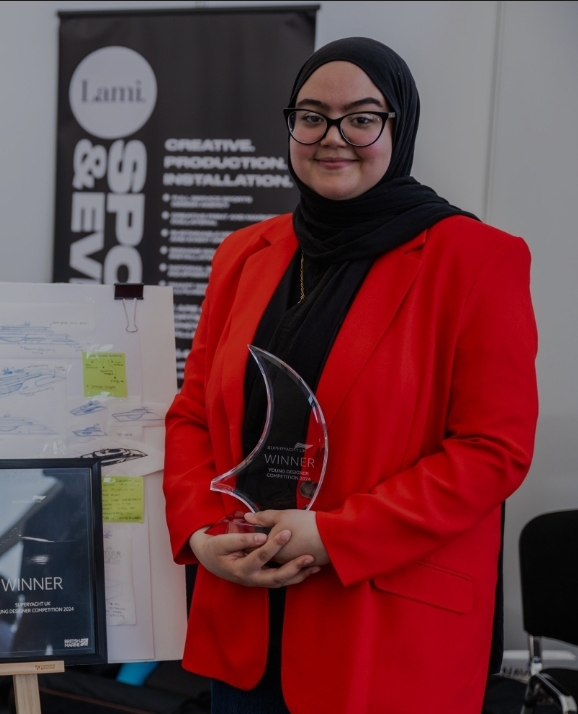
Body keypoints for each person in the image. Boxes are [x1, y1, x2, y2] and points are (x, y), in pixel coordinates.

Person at [163, 37, 538, 714]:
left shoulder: (476, 259)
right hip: (244, 619)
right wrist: (197, 534)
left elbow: (491, 451)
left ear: (399, 126)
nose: (331, 137)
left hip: (381, 630)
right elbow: (192, 412)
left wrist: (335, 535)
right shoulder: (244, 253)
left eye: (361, 117)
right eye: (311, 116)